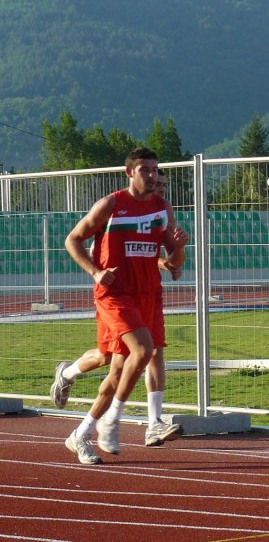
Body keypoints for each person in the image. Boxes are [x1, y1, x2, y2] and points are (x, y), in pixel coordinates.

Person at [62, 149, 188, 464]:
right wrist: (95, 271)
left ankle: (81, 433)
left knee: (118, 368)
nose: (152, 175)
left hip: (149, 294)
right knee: (143, 351)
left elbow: (174, 264)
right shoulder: (112, 205)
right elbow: (73, 239)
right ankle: (112, 419)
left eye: (155, 170)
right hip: (115, 294)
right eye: (145, 169)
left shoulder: (161, 208)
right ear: (129, 172)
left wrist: (181, 249)